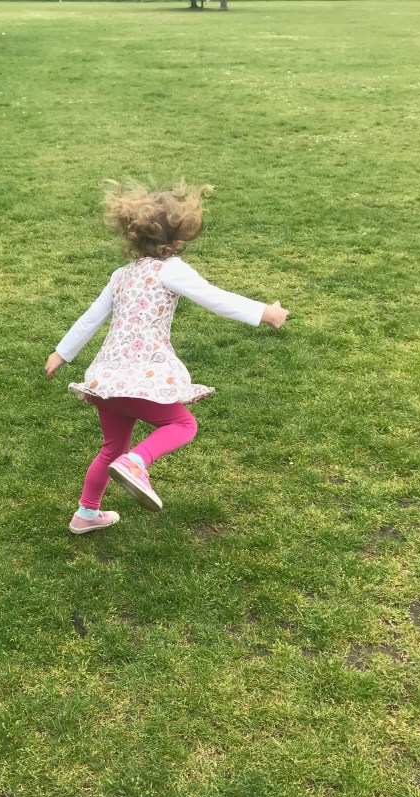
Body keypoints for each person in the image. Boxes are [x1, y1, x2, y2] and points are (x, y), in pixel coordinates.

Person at [45, 180, 290, 535]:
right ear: (176, 243)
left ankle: (86, 513)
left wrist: (61, 353)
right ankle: (137, 463)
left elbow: (90, 318)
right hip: (141, 373)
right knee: (182, 425)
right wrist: (266, 312)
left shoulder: (120, 275)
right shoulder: (171, 268)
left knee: (111, 447)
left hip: (106, 377)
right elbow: (215, 297)